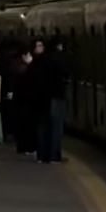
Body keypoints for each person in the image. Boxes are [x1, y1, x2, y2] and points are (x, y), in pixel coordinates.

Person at [19, 36, 67, 164]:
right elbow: (63, 77)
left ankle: (42, 155)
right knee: (55, 127)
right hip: (55, 97)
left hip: (39, 99)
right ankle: (53, 155)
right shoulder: (57, 60)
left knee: (42, 127)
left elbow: (30, 79)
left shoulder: (36, 62)